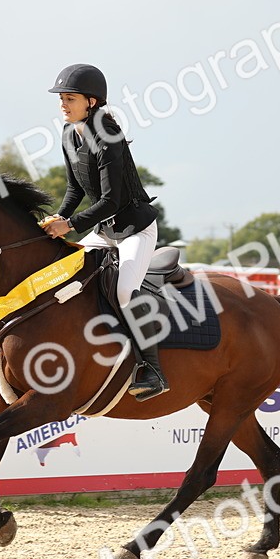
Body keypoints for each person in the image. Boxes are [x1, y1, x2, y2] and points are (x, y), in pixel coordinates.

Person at [41, 63, 168, 401]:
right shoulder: (69, 134)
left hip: (134, 229)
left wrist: (69, 225)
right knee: (65, 275)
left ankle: (152, 370)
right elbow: (74, 189)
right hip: (104, 229)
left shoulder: (107, 138)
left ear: (92, 102)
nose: (63, 105)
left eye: (70, 98)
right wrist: (59, 215)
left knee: (126, 290)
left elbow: (112, 200)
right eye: (62, 99)